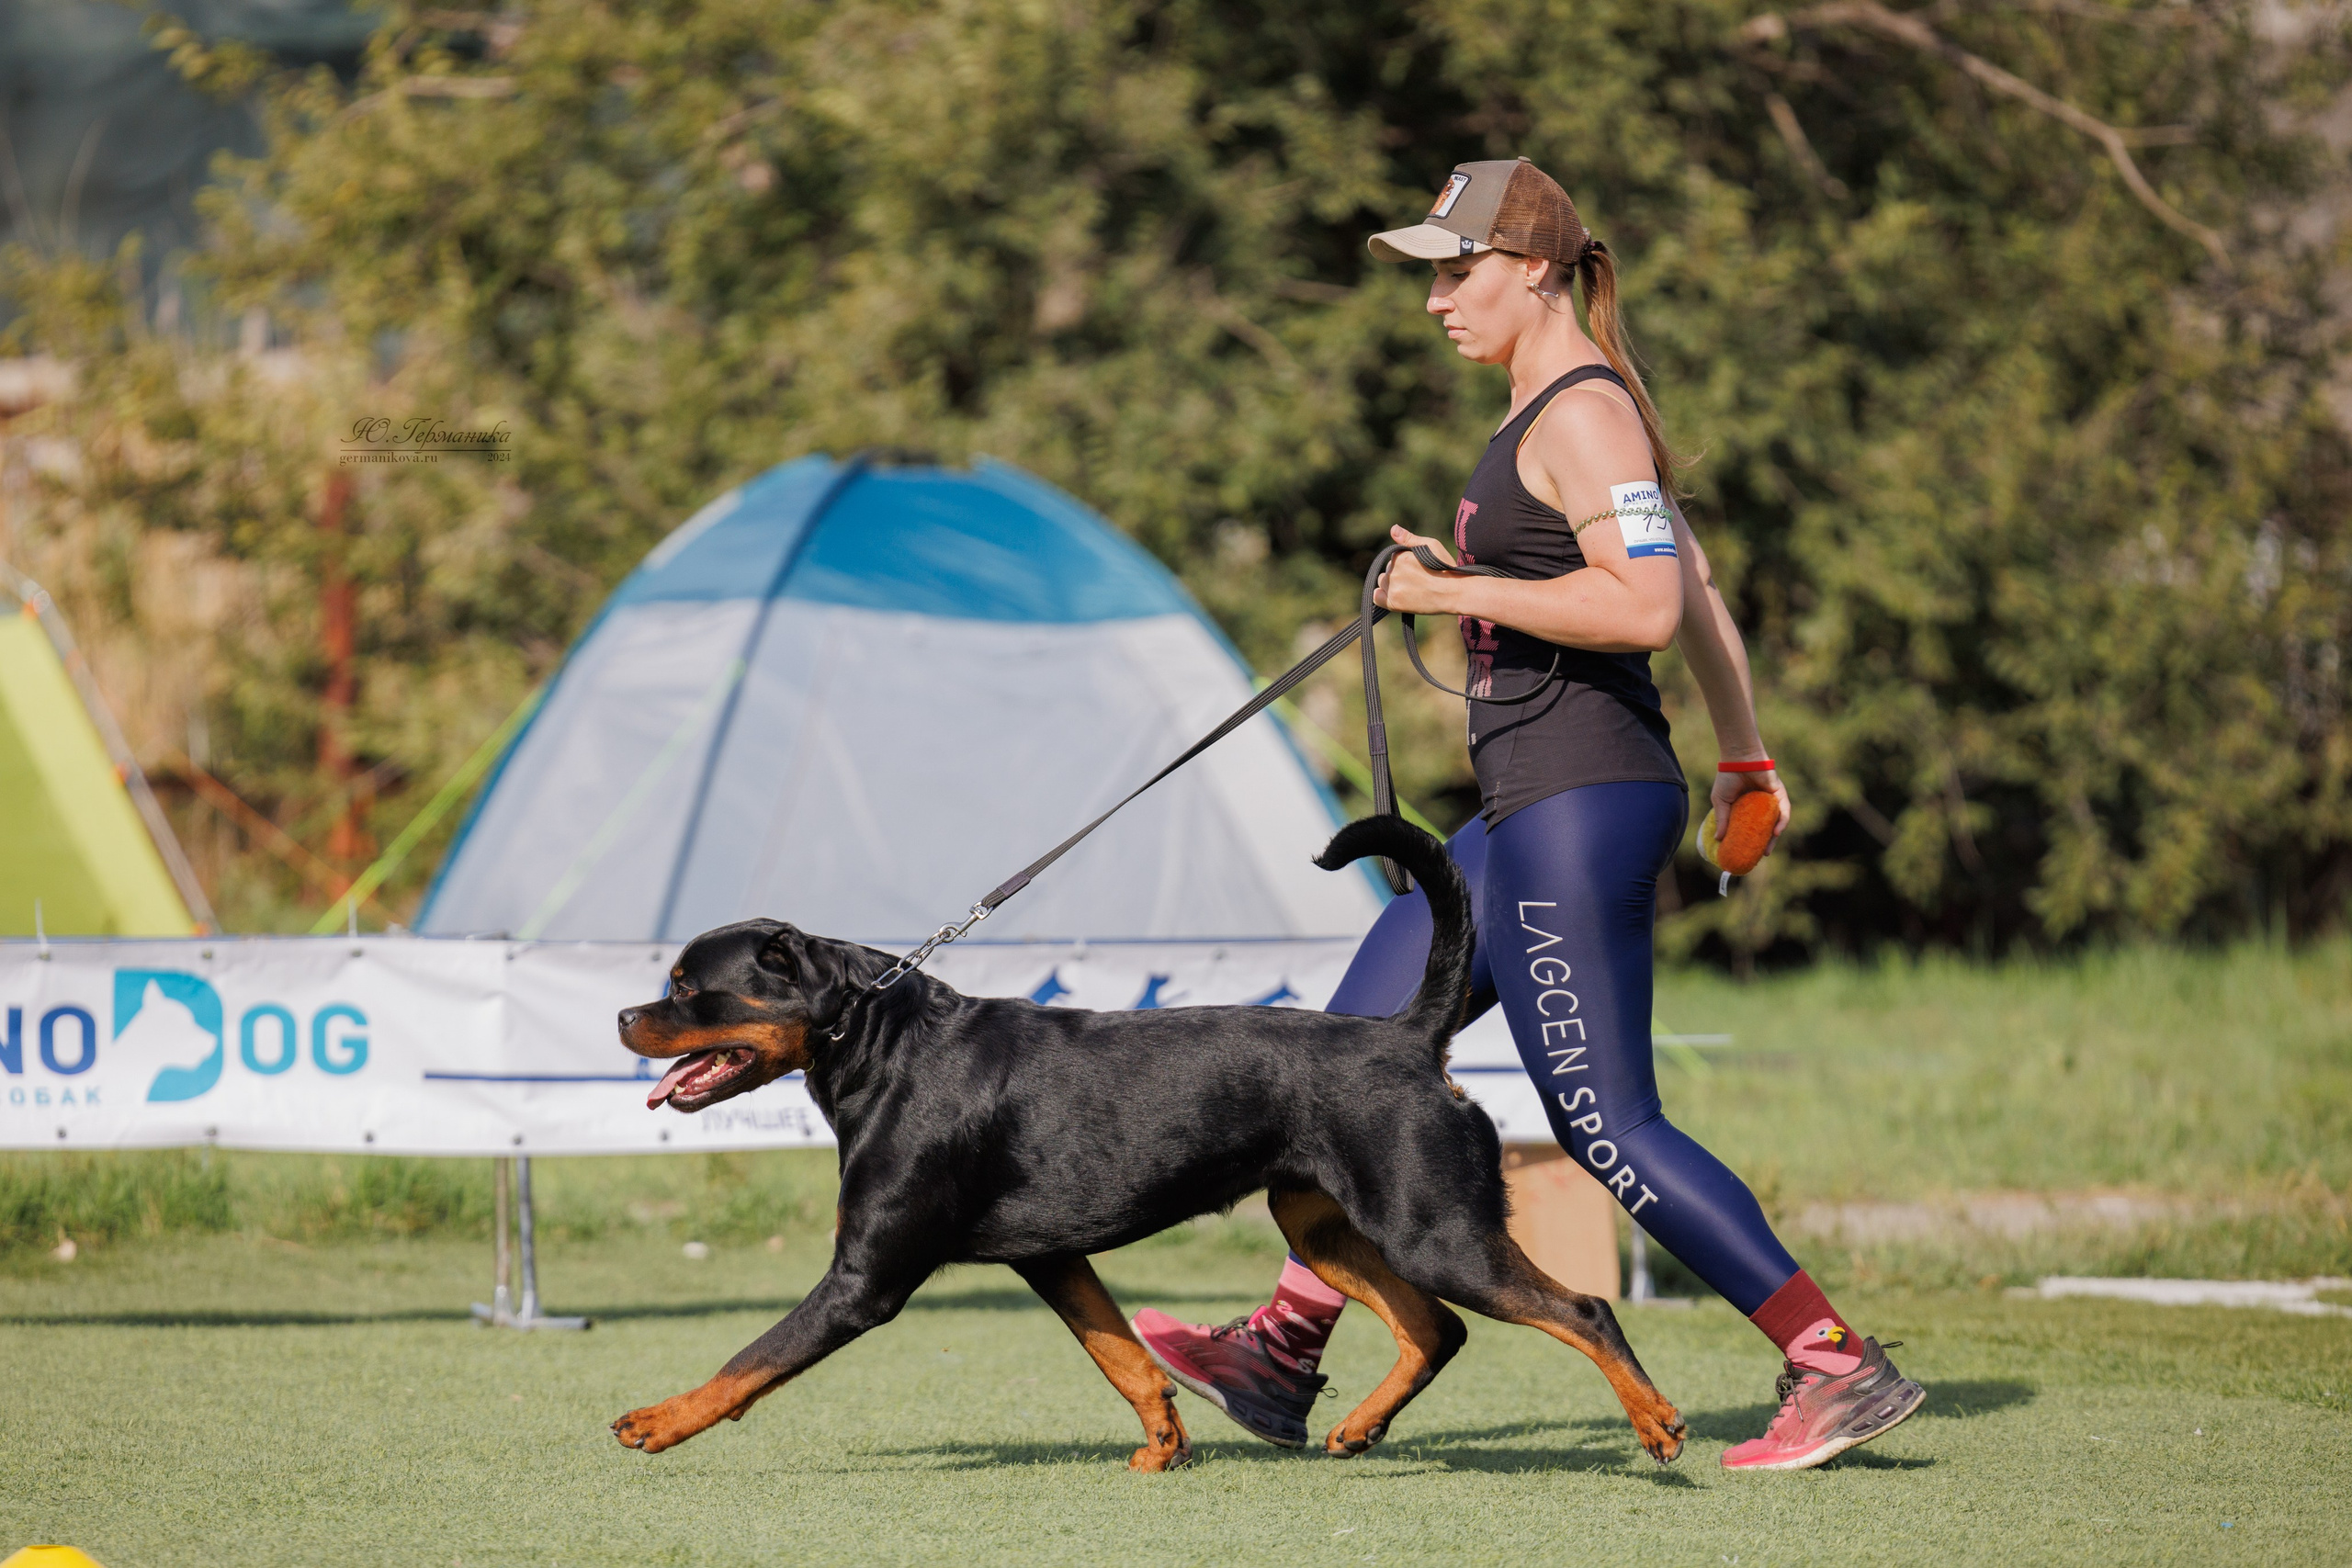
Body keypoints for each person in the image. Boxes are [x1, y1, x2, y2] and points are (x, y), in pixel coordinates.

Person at [1131, 158, 1925, 1472]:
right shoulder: (1547, 415)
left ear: (1537, 270)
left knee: (1604, 1121)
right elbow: (1704, 585)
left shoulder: (1584, 415)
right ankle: (1281, 1349)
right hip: (1523, 806)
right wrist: (1745, 757)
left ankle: (1832, 1361)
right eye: (1432, 273)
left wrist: (1450, 596)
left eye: (1459, 270)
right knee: (1355, 1062)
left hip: (1581, 799)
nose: (1437, 298)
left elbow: (1648, 607)